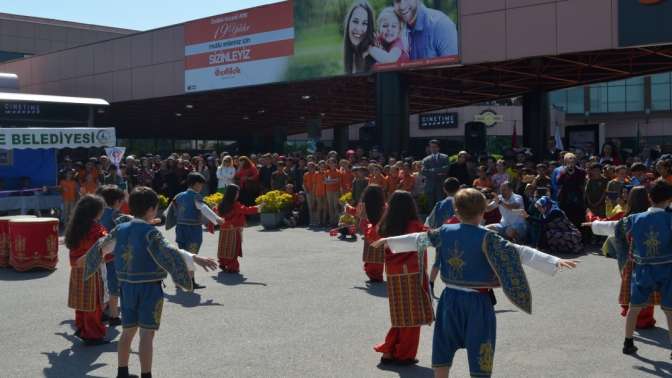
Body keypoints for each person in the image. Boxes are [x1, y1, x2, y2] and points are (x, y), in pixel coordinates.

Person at [372, 188, 578, 378]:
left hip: (450, 300)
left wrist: (390, 241)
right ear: (483, 211)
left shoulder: (444, 232)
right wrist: (554, 260)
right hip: (478, 302)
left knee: (443, 346)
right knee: (481, 347)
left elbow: (419, 239)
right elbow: (519, 251)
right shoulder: (488, 237)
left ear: (456, 211)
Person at [80, 186, 218, 378]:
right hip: (149, 288)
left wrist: (86, 259)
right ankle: (146, 375)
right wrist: (195, 258)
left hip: (127, 287)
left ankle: (122, 372)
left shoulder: (120, 229)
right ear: (152, 209)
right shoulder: (150, 232)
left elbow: (102, 247)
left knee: (127, 331)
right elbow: (169, 251)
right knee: (147, 334)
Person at [587, 180, 672, 356]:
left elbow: (613, 227)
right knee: (670, 310)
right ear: (669, 199)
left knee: (635, 307)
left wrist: (594, 224)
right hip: (666, 269)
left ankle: (628, 342)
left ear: (649, 198)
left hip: (642, 270)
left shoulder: (633, 219)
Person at [586, 186, 657, 330]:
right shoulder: (654, 218)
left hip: (631, 261)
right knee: (648, 289)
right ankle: (647, 318)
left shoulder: (626, 220)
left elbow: (613, 227)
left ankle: (636, 321)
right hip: (650, 260)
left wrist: (593, 223)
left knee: (633, 290)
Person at [374, 191, 430, 365]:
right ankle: (404, 354)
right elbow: (427, 240)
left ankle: (389, 351)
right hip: (412, 273)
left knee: (400, 315)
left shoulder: (385, 224)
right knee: (412, 317)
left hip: (393, 273)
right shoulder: (414, 225)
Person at [167, 172, 224, 289]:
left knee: (182, 255)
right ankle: (190, 282)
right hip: (193, 231)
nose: (201, 187)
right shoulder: (195, 196)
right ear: (195, 184)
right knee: (192, 255)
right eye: (200, 184)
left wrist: (161, 219)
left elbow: (170, 210)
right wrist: (217, 219)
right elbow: (203, 208)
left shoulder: (179, 196)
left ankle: (180, 281)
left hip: (180, 229)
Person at [65, 195, 108, 346]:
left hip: (76, 269)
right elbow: (105, 247)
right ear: (96, 211)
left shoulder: (75, 225)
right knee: (93, 304)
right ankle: (92, 334)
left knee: (81, 302)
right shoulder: (96, 229)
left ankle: (82, 328)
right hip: (91, 270)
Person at [98, 185, 127, 327]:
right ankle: (114, 315)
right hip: (112, 255)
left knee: (102, 283)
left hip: (98, 254)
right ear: (116, 201)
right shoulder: (115, 214)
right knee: (113, 284)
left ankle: (102, 312)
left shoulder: (96, 212)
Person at [393, 0, 458, 59]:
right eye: (397, 1)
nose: (402, 6)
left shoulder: (441, 25)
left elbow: (453, 70)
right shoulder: (396, 30)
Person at [216, 184, 260, 273]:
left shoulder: (222, 204)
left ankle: (223, 263)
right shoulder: (235, 205)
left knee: (224, 247)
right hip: (234, 230)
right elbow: (246, 210)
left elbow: (217, 214)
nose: (238, 195)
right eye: (237, 193)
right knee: (234, 249)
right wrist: (258, 208)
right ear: (233, 194)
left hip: (224, 230)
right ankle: (232, 266)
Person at [361, 185, 386, 282]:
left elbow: (359, 214)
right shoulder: (384, 206)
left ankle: (372, 275)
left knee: (369, 253)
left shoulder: (364, 205)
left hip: (369, 231)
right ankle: (378, 275)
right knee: (379, 254)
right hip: (380, 232)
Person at [343, 1, 375, 74]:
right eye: (355, 21)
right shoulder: (352, 53)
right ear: (348, 23)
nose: (359, 29)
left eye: (364, 23)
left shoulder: (373, 53)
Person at [557, 153, 586, 228]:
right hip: (566, 200)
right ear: (565, 162)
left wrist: (573, 173)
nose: (571, 162)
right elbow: (559, 182)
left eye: (573, 160)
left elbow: (582, 184)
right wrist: (565, 172)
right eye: (569, 160)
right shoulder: (562, 172)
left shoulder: (581, 171)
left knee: (579, 220)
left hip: (577, 200)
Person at [422, 140, 450, 206]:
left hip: (441, 185)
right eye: (431, 147)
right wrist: (438, 171)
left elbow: (446, 169)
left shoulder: (445, 157)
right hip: (430, 186)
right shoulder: (426, 159)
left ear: (438, 148)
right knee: (430, 206)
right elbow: (424, 171)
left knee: (441, 205)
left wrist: (432, 170)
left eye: (434, 147)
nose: (433, 149)